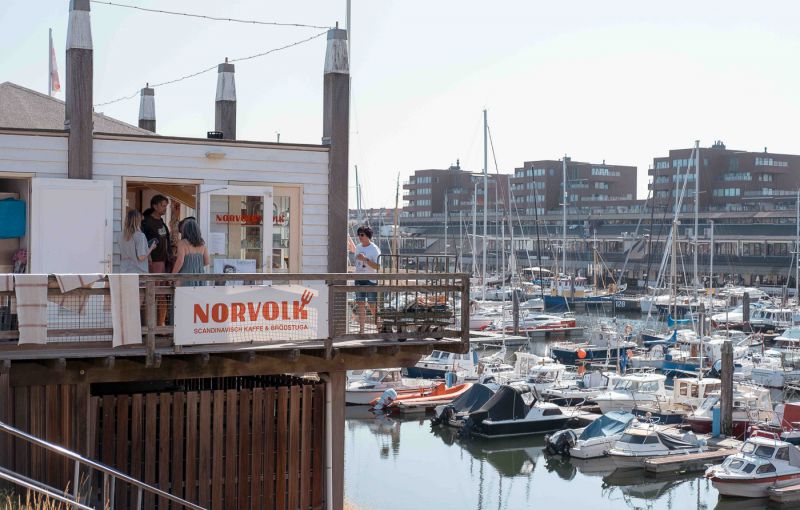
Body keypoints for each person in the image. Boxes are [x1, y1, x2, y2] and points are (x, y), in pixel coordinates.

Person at [141, 195, 173, 326]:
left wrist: (170, 256)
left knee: (162, 294)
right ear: (154, 206)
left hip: (164, 262)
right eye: (162, 205)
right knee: (150, 295)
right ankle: (147, 326)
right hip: (152, 262)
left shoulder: (162, 223)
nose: (165, 208)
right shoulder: (146, 222)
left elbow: (167, 242)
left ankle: (161, 325)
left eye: (166, 206)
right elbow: (142, 243)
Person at [354, 225, 380, 333]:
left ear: (368, 236)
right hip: (358, 278)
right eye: (358, 235)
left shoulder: (374, 249)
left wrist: (365, 259)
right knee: (360, 305)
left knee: (372, 305)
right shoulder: (358, 247)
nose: (359, 237)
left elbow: (378, 267)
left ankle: (380, 328)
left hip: (370, 280)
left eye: (362, 235)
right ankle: (361, 330)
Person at [171, 218, 210, 286]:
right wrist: (196, 265)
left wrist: (172, 276)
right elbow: (207, 262)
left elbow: (180, 261)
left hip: (185, 277)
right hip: (199, 277)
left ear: (185, 230)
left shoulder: (182, 243)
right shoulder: (202, 244)